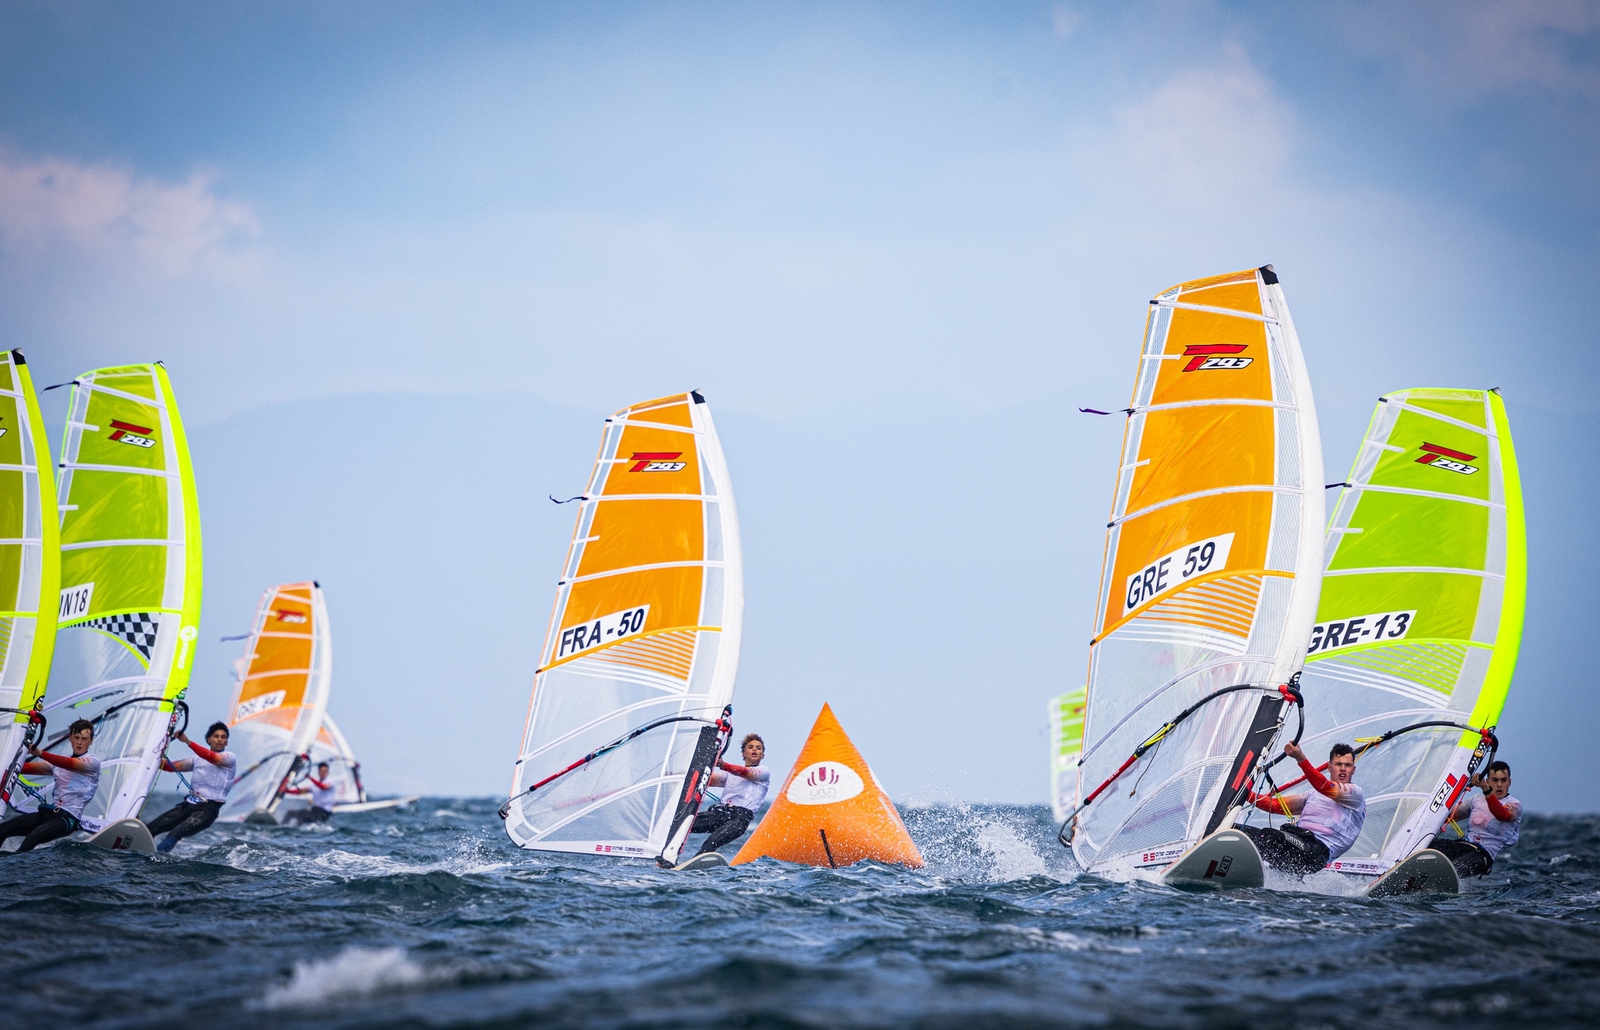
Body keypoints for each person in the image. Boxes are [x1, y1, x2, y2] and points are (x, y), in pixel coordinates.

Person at [1239, 741, 1367, 875]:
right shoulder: (1312, 794)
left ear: (1353, 769)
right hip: (1296, 843)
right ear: (1329, 767)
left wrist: (1300, 758)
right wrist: (1242, 791)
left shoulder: (1355, 794)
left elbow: (1325, 787)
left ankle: (1246, 870)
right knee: (1238, 831)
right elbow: (1275, 805)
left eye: (1348, 765)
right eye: (1338, 764)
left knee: (1269, 836)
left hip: (1317, 853)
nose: (1343, 769)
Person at [0, 719, 101, 853]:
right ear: (70, 738)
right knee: (3, 829)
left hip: (68, 819)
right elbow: (21, 768)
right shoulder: (56, 765)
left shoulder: (93, 762)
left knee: (33, 837)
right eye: (76, 737)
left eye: (84, 739)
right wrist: (6, 762)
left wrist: (41, 753)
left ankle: (15, 864)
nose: (79, 742)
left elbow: (68, 763)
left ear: (91, 741)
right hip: (50, 814)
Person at [148, 721, 237, 853]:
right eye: (216, 736)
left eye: (223, 737)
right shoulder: (196, 759)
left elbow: (212, 758)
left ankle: (156, 858)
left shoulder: (229, 758)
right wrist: (153, 757)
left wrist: (188, 742)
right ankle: (136, 853)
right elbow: (170, 767)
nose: (219, 739)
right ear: (209, 739)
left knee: (175, 833)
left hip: (207, 810)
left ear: (226, 742)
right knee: (151, 828)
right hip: (188, 805)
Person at [1427, 760, 1521, 877]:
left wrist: (1486, 789)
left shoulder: (1515, 805)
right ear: (1487, 781)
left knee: (1452, 869)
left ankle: (1438, 880)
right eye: (1495, 780)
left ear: (1509, 782)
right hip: (1464, 846)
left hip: (1483, 855)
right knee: (1426, 845)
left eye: (1503, 780)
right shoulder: (1477, 799)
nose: (1499, 785)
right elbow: (1447, 816)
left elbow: (1501, 814)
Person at [689, 733, 769, 857]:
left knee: (710, 843)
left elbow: (746, 772)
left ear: (762, 755)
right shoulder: (730, 775)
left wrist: (723, 765)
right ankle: (667, 858)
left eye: (758, 748)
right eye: (750, 747)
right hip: (721, 814)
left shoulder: (764, 772)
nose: (754, 750)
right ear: (743, 753)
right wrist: (680, 776)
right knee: (685, 824)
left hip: (740, 819)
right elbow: (706, 779)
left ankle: (696, 863)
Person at [282, 761, 337, 825]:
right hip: (315, 810)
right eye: (321, 771)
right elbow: (300, 791)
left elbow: (323, 787)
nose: (323, 773)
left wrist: (310, 778)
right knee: (290, 813)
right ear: (318, 772)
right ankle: (283, 826)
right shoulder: (314, 786)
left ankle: (296, 829)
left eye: (325, 771)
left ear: (328, 772)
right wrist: (287, 791)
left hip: (324, 812)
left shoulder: (330, 782)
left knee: (301, 816)